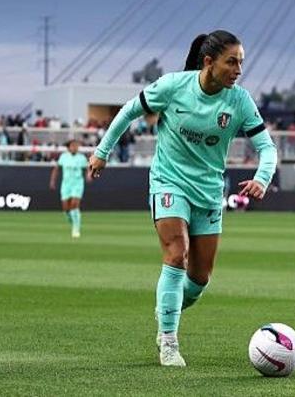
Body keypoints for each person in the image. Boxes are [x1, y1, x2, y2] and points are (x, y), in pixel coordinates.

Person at [89, 29, 276, 368]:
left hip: (208, 192)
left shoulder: (240, 100)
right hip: (168, 182)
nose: (238, 70)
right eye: (231, 62)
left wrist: (262, 178)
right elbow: (129, 110)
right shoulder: (174, 86)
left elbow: (266, 147)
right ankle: (169, 342)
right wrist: (102, 151)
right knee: (177, 254)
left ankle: (166, 309)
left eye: (241, 63)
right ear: (209, 62)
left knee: (200, 278)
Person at [49, 140, 90, 238]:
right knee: (66, 208)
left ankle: (76, 228)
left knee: (74, 204)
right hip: (66, 184)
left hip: (77, 184)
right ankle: (73, 220)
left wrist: (88, 175)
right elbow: (56, 169)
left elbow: (87, 169)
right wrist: (52, 181)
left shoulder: (82, 158)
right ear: (68, 147)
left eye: (76, 146)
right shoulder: (63, 157)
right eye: (73, 146)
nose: (75, 147)